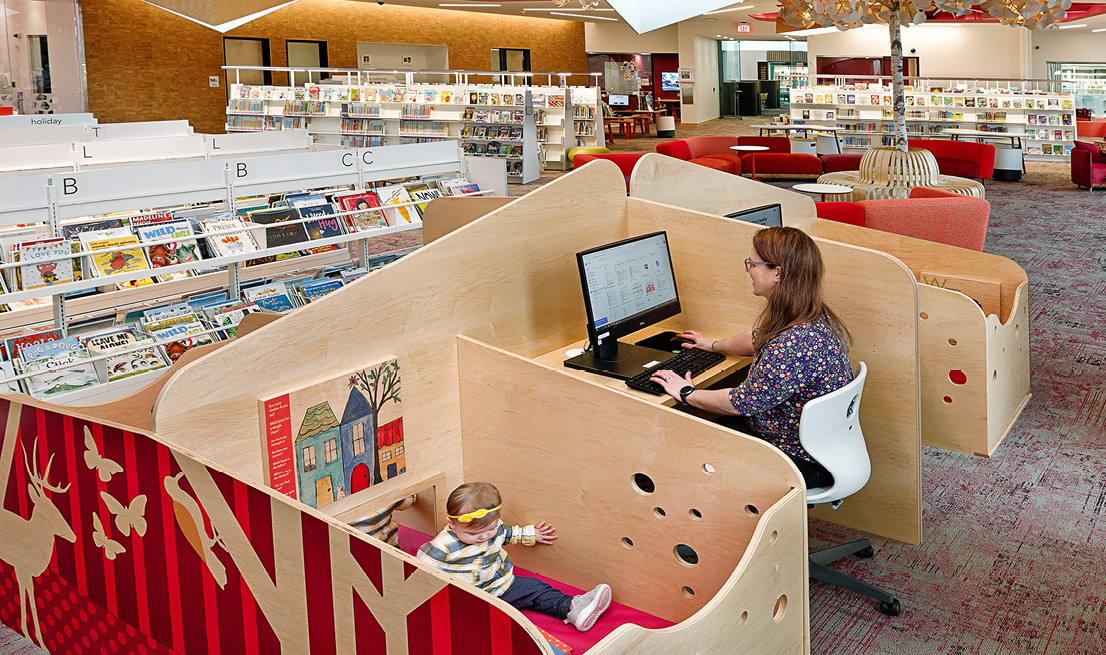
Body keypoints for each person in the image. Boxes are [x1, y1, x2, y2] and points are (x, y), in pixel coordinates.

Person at [649, 226, 853, 488]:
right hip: (812, 443)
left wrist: (687, 393)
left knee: (686, 446)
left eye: (752, 264)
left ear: (777, 273)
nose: (748, 271)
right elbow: (757, 338)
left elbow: (740, 403)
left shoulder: (793, 344)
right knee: (700, 431)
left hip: (799, 459)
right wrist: (712, 345)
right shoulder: (812, 316)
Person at [417, 482, 612, 632]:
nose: (484, 537)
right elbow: (419, 569)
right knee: (464, 620)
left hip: (503, 586)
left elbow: (509, 534)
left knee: (536, 588)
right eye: (473, 534)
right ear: (452, 524)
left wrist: (532, 534)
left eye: (490, 529)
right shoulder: (443, 546)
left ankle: (573, 609)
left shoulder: (497, 528)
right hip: (471, 599)